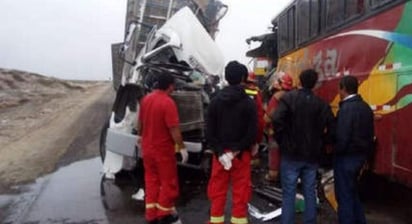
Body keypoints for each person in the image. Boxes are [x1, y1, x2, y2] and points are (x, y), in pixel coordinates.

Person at [273, 69, 335, 224]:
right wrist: (322, 142)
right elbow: (332, 128)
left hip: (291, 155)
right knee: (309, 192)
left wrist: (283, 141)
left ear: (299, 81)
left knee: (289, 193)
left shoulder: (288, 99)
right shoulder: (322, 104)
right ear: (314, 85)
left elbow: (276, 120)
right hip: (312, 156)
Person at [206, 61, 257, 224]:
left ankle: (215, 221)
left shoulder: (214, 101)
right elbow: (252, 132)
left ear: (226, 78)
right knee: (241, 192)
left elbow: (209, 131)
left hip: (219, 156)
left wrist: (220, 151)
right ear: (243, 78)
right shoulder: (249, 102)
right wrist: (237, 150)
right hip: (241, 155)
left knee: (217, 192)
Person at [137, 72, 189, 224]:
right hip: (163, 151)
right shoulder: (168, 102)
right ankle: (164, 214)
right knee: (168, 183)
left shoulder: (146, 99)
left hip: (147, 149)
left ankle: (151, 215)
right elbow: (174, 130)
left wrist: (141, 137)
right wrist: (182, 147)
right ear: (170, 85)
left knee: (151, 181)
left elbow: (139, 124)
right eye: (173, 86)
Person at [334, 75, 374, 224]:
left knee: (344, 196)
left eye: (339, 88)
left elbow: (343, 136)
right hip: (360, 157)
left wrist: (335, 151)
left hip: (346, 158)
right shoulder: (366, 107)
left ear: (343, 89)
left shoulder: (346, 109)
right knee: (352, 192)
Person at [264, 72, 293, 182]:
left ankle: (273, 175)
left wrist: (266, 127)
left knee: (274, 153)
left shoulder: (276, 97)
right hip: (289, 132)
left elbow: (268, 117)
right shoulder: (294, 95)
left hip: (275, 131)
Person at [242, 71, 265, 159]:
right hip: (250, 136)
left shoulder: (235, 93)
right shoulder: (256, 95)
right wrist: (257, 140)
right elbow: (259, 119)